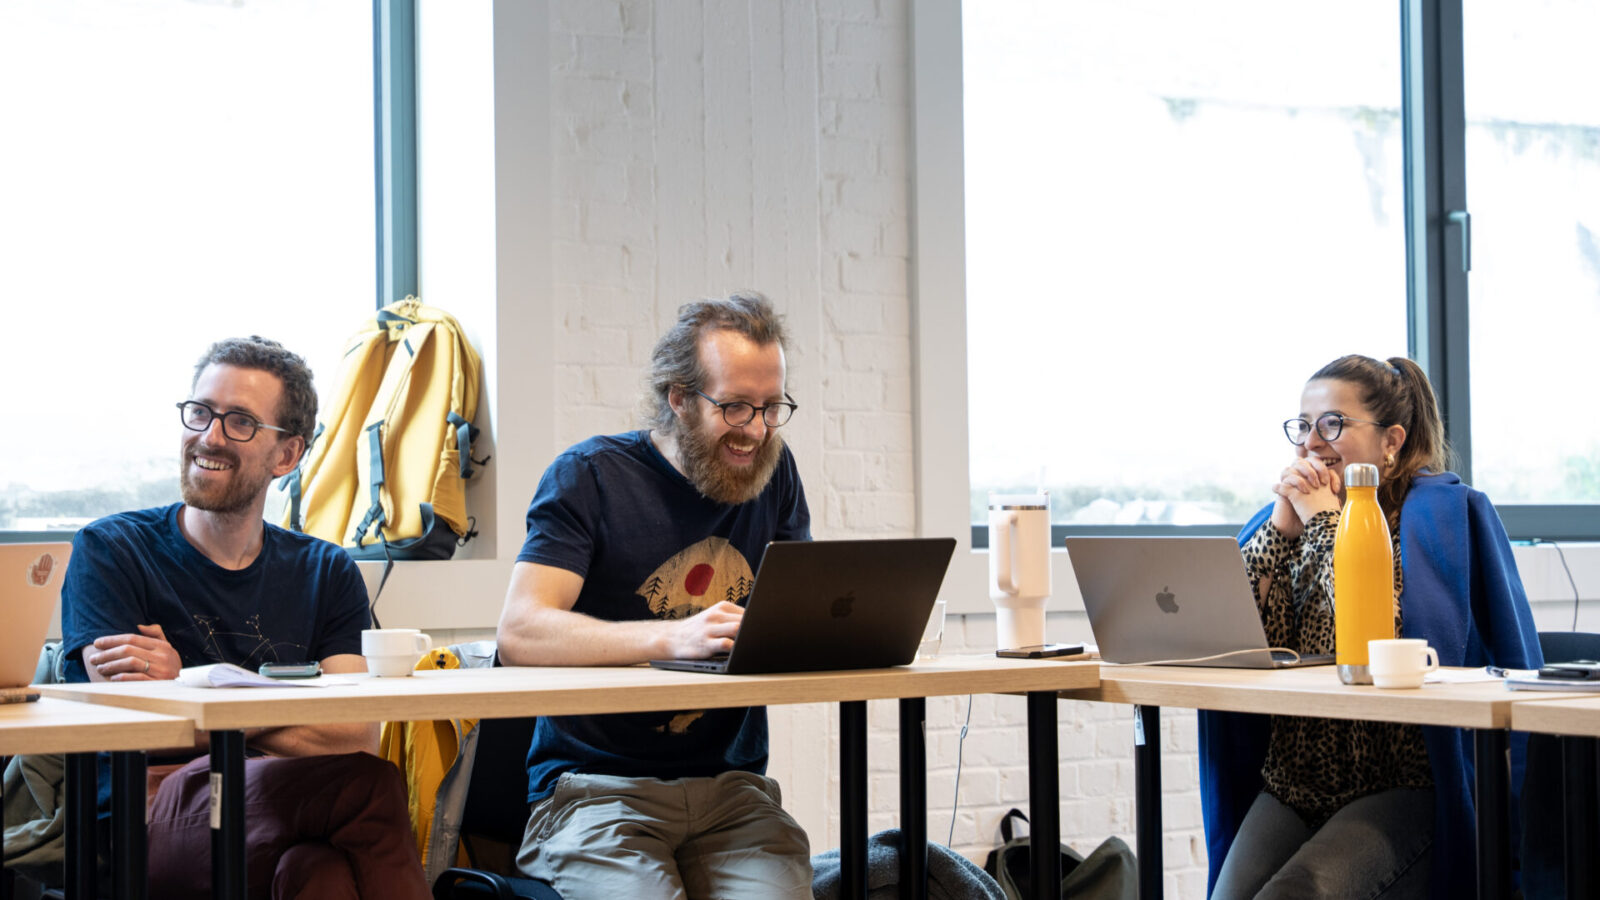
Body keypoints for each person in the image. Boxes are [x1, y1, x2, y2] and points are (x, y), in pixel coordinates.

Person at [60, 336, 430, 900]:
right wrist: (293, 711)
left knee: (321, 875)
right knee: (368, 787)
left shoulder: (326, 570)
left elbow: (355, 734)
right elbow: (135, 714)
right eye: (200, 412)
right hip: (154, 812)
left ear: (287, 455)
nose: (210, 436)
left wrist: (193, 687)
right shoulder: (112, 549)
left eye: (239, 422)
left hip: (288, 803)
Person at [498, 292, 813, 900]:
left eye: (772, 407)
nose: (756, 430)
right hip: (595, 792)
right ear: (679, 398)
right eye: (735, 406)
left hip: (732, 792)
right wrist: (673, 636)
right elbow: (520, 632)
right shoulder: (589, 475)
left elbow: (795, 616)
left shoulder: (776, 473)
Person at [1201, 354, 1542, 900]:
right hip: (1295, 783)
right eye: (1303, 426)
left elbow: (1380, 637)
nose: (1312, 442)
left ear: (1391, 441)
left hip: (1401, 785)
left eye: (1333, 424)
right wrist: (1278, 535)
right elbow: (1240, 641)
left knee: (1292, 894)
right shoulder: (1290, 521)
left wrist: (1323, 522)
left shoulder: (1433, 520)